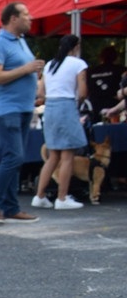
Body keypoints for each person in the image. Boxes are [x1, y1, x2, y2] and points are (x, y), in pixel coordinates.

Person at [0, 2, 44, 225]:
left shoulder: (21, 42)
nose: (31, 17)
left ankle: (10, 207)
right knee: (14, 157)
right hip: (6, 110)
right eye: (26, 14)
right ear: (13, 19)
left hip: (24, 108)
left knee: (15, 159)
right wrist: (26, 69)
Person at [32, 35, 88, 211]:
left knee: (53, 155)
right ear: (76, 47)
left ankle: (39, 196)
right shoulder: (79, 64)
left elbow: (41, 92)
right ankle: (62, 197)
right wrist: (76, 106)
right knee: (67, 156)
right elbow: (83, 92)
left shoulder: (50, 65)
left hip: (51, 107)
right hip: (66, 105)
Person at [86, 46, 123, 124]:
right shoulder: (121, 70)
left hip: (95, 106)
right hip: (115, 106)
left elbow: (87, 90)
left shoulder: (91, 72)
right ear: (115, 57)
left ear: (101, 57)